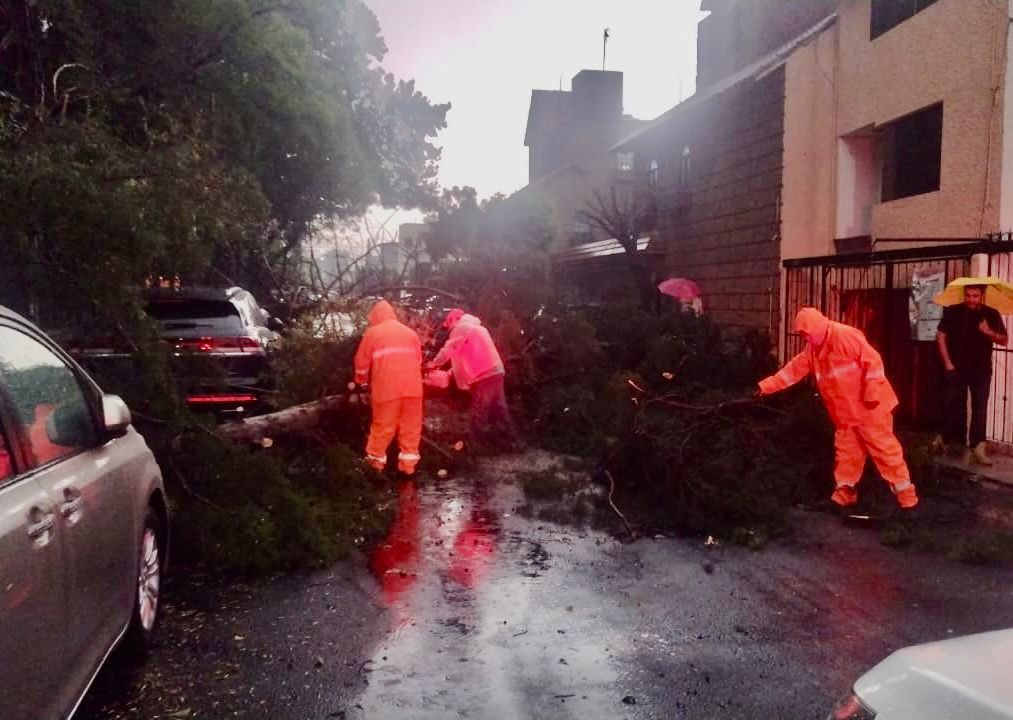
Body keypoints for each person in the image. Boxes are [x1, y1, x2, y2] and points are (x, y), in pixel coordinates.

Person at [757, 308, 919, 512]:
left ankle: (908, 500)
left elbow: (873, 361)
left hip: (870, 409)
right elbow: (793, 371)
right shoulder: (813, 350)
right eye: (803, 334)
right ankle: (844, 495)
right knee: (846, 455)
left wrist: (871, 393)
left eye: (806, 333)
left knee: (885, 452)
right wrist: (765, 387)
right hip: (846, 414)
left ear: (818, 327)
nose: (805, 338)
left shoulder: (845, 335)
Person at [935, 285, 1008, 465]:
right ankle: (942, 439)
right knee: (949, 403)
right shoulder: (954, 311)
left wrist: (988, 332)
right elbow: (941, 336)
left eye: (975, 296)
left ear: (982, 296)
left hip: (981, 370)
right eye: (968, 295)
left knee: (980, 407)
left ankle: (979, 447)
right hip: (957, 368)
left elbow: (1004, 340)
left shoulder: (991, 313)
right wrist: (948, 364)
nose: (971, 299)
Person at [354, 300, 424, 474]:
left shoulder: (373, 333)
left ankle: (374, 468)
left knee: (382, 427)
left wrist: (360, 380)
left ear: (375, 316)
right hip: (413, 390)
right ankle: (408, 469)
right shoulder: (410, 333)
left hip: (387, 390)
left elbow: (361, 362)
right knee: (411, 428)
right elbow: (419, 361)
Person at [428, 311, 517, 448]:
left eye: (449, 323)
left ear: (453, 319)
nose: (449, 327)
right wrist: (450, 373)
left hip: (483, 373)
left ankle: (475, 446)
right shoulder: (476, 328)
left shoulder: (462, 328)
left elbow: (449, 350)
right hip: (494, 371)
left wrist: (432, 364)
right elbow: (464, 356)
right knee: (499, 408)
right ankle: (512, 442)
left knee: (479, 410)